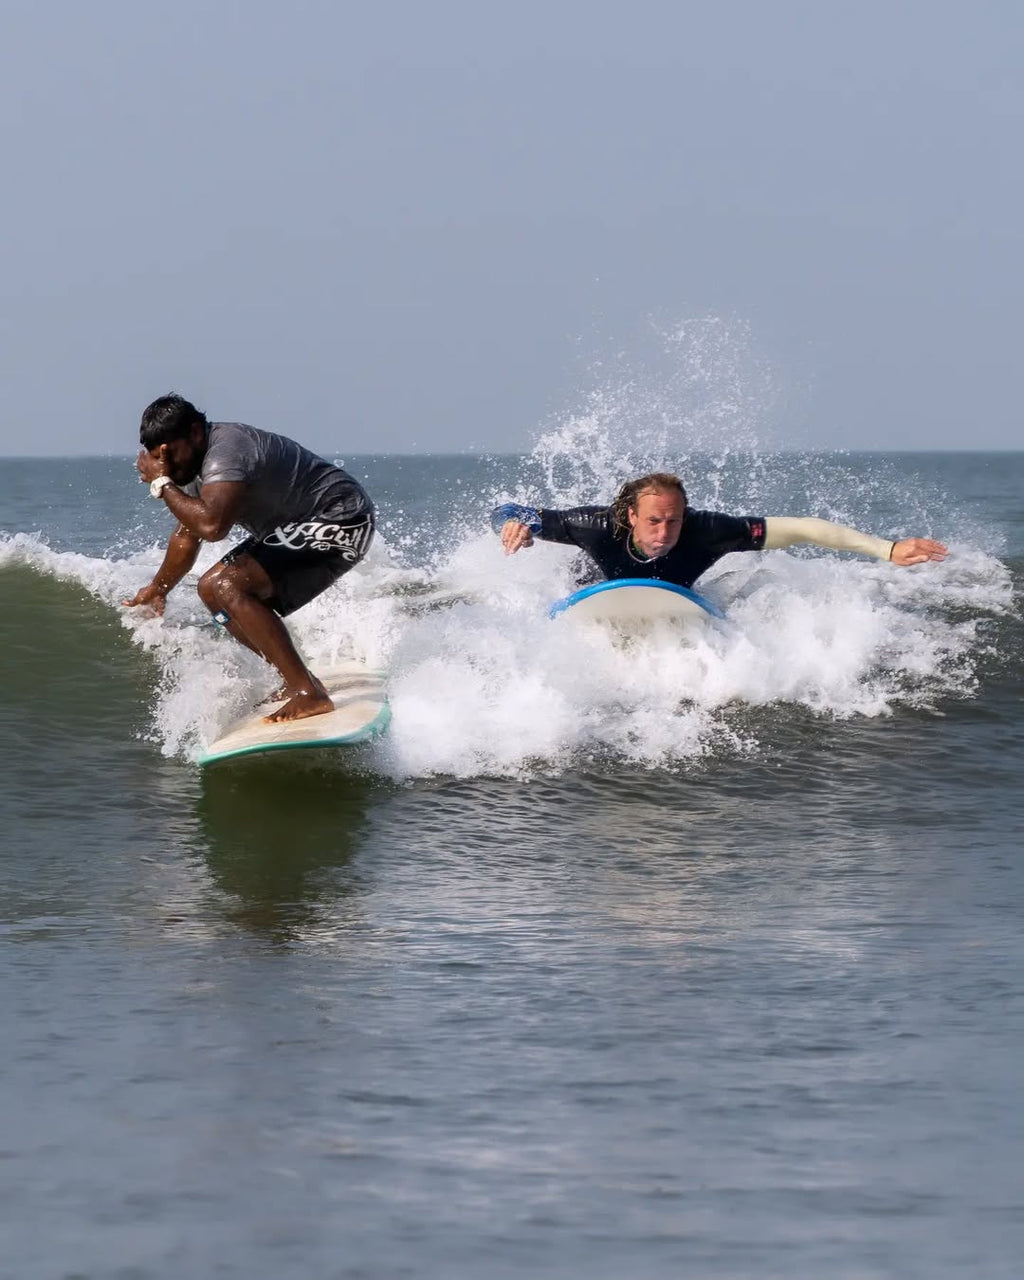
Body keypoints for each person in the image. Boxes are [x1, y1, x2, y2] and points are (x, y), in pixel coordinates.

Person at [123, 394, 374, 723]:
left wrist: (162, 483)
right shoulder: (197, 467)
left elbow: (212, 526)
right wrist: (159, 588)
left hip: (343, 518)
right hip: (305, 527)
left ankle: (308, 694)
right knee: (210, 590)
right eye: (159, 460)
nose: (168, 466)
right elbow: (188, 533)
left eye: (170, 456)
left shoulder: (226, 452)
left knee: (228, 585)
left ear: (196, 433)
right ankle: (298, 680)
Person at [490, 472, 947, 587]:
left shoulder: (708, 530)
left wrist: (886, 549)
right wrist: (514, 524)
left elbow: (804, 528)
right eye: (654, 520)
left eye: (674, 520)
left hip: (674, 596)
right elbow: (509, 509)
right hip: (595, 592)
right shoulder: (594, 526)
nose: (665, 530)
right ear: (630, 516)